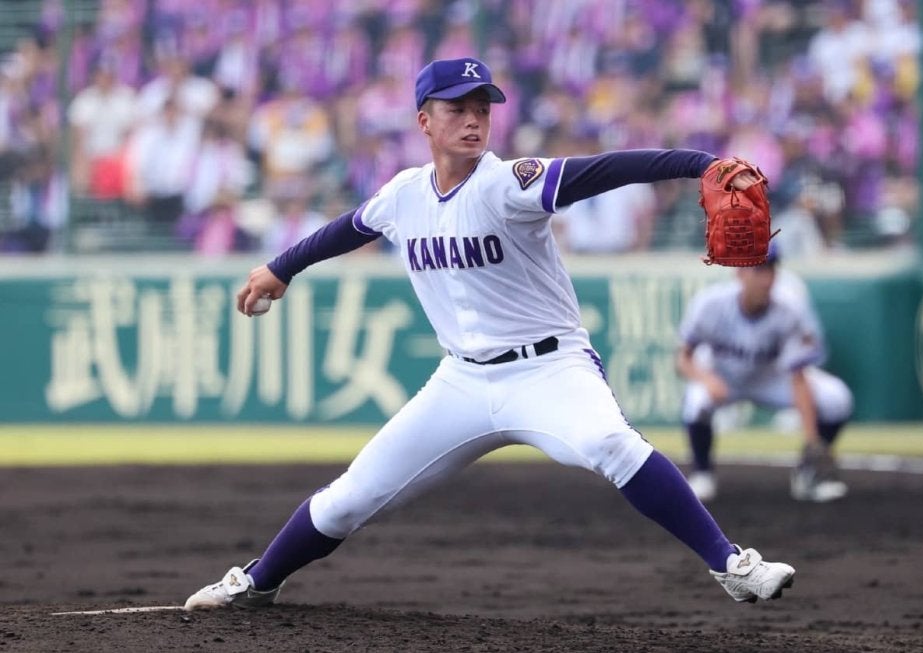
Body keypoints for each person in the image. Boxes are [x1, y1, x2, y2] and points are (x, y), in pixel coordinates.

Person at [184, 57, 795, 610]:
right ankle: (258, 583)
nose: (474, 121)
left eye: (483, 109)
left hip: (551, 370)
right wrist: (280, 268)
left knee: (612, 443)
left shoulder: (509, 181)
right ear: (425, 120)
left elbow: (605, 170)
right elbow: (349, 228)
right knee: (348, 499)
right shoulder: (404, 194)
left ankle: (732, 564)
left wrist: (702, 166)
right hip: (461, 381)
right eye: (458, 109)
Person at [676, 244, 853, 503]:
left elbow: (798, 375)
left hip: (771, 377)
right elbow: (682, 357)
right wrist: (706, 379)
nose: (766, 278)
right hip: (722, 375)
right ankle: (703, 474)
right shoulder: (711, 304)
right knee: (696, 400)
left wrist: (813, 440)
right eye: (758, 270)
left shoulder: (790, 308)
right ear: (740, 273)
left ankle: (808, 474)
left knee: (837, 398)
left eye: (771, 270)